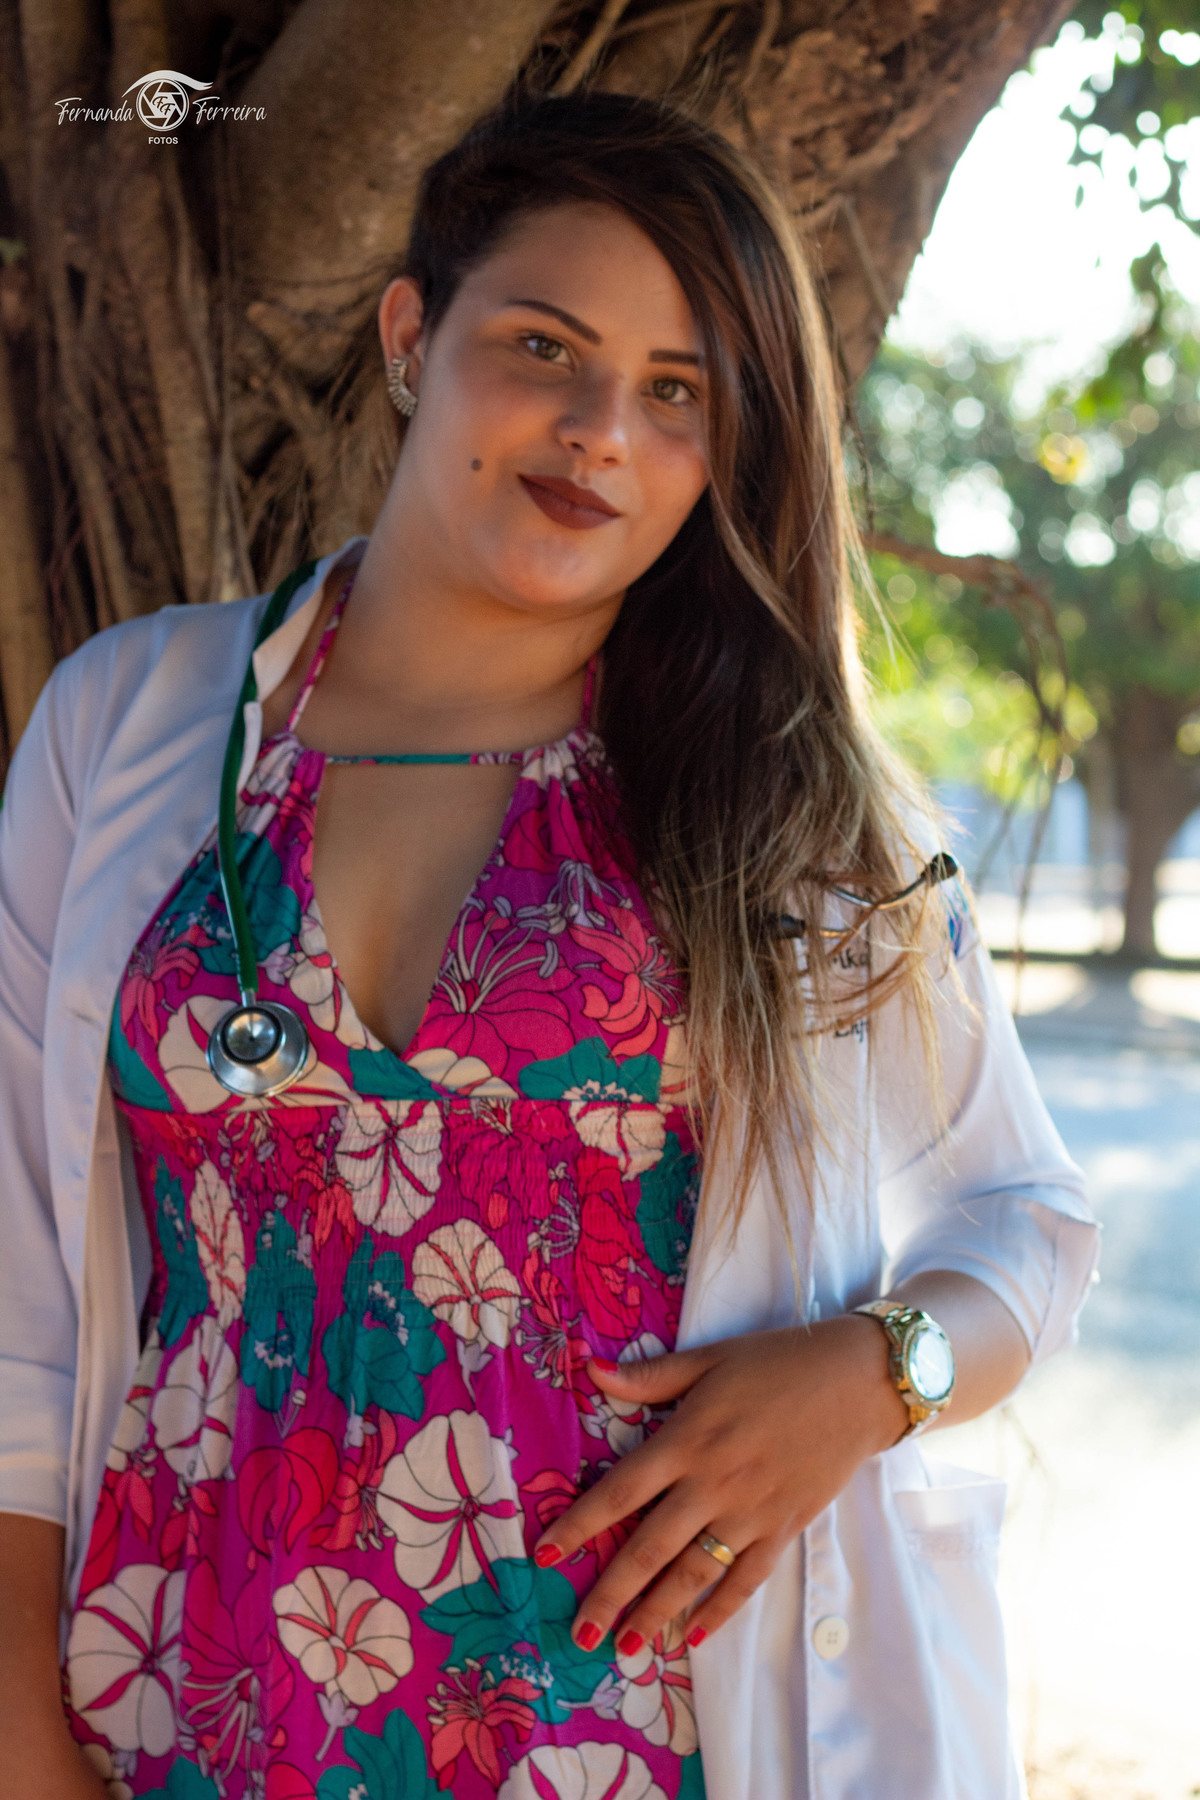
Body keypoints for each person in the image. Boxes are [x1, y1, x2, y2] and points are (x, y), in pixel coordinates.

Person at [0, 92, 1097, 1800]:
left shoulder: (789, 804)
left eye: (677, 391)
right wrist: (18, 1732)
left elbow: (1028, 1220)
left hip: (640, 1736)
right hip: (177, 1714)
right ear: (409, 336)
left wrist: (876, 1375)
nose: (600, 432)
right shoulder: (126, 724)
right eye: (543, 348)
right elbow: (20, 1299)